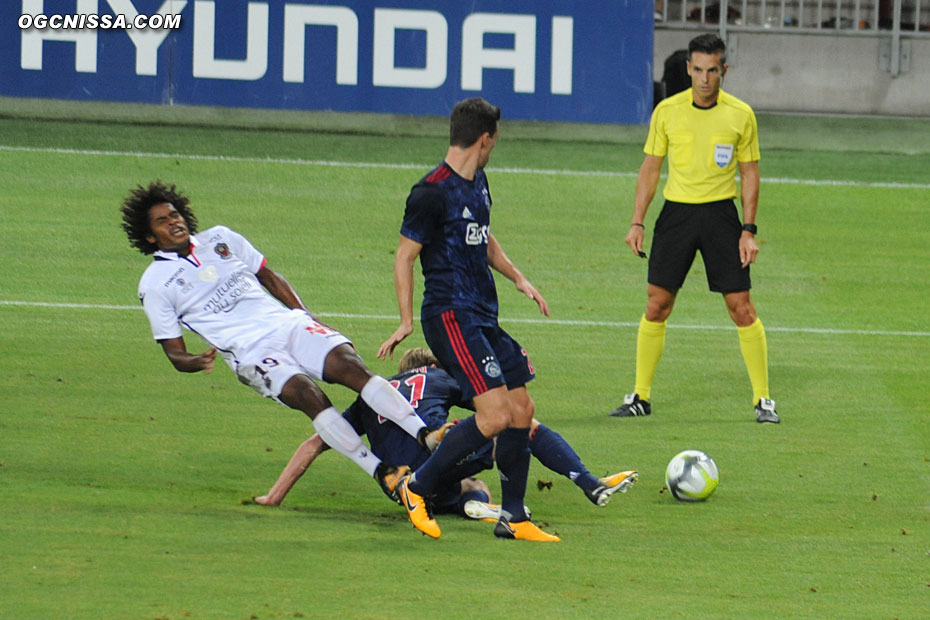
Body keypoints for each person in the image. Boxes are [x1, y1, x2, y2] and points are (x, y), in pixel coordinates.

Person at [120, 181, 446, 499]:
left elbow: (269, 276)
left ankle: (425, 434)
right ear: (150, 236)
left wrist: (305, 315)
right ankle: (383, 472)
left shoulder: (220, 238)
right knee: (310, 397)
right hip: (251, 352)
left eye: (175, 214)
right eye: (162, 221)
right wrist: (196, 360)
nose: (173, 221)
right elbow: (173, 352)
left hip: (287, 324)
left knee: (350, 367)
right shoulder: (156, 284)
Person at [378, 97, 560, 541]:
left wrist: (518, 278)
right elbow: (404, 257)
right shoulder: (430, 192)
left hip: (482, 313)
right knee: (495, 414)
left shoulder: (478, 182)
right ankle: (417, 488)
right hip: (449, 315)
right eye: (496, 139)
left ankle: (514, 518)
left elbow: (483, 236)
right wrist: (405, 320)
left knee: (521, 409)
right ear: (486, 138)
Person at [609, 33, 780, 424]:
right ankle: (640, 396)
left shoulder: (741, 115)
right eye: (698, 70)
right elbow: (650, 168)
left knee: (742, 308)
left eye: (712, 70)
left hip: (721, 218)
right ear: (688, 69)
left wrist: (748, 229)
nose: (704, 78)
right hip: (677, 216)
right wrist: (637, 221)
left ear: (724, 70)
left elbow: (749, 174)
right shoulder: (667, 111)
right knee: (657, 305)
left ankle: (763, 400)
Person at [255, 347, 638, 519]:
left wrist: (274, 495)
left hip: (399, 485)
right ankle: (587, 480)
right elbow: (495, 411)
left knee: (468, 484)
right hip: (433, 458)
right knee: (519, 424)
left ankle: (465, 504)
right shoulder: (439, 376)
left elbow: (314, 444)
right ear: (433, 365)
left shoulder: (371, 395)